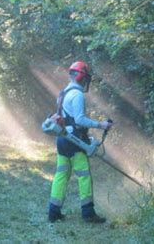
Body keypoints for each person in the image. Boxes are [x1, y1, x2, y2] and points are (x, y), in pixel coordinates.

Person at [48, 61, 113, 223]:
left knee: (61, 175)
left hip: (62, 138)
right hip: (74, 141)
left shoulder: (63, 93)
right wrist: (101, 124)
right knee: (84, 175)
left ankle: (53, 212)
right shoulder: (77, 95)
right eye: (86, 78)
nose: (86, 82)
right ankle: (88, 213)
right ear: (81, 76)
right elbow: (79, 119)